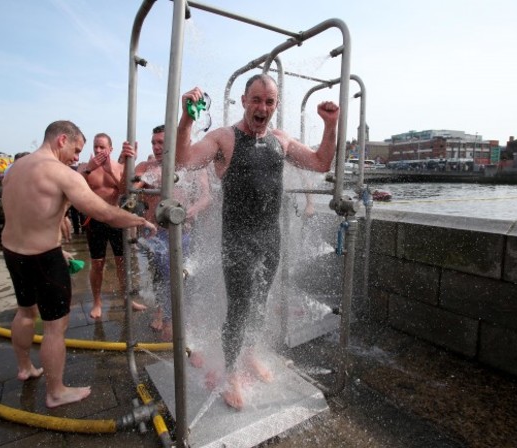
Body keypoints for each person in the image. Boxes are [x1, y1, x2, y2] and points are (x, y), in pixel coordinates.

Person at [176, 74, 339, 409]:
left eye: (269, 102)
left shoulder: (280, 141)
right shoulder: (225, 138)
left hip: (270, 240)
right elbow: (183, 161)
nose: (262, 107)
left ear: (275, 105)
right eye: (256, 100)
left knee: (259, 307)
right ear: (244, 101)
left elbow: (322, 162)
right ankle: (231, 372)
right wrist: (185, 121)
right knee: (237, 310)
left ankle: (248, 355)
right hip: (237, 241)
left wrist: (330, 125)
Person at [1, 120, 156, 408]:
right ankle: (56, 391)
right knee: (54, 327)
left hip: (13, 252)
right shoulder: (62, 174)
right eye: (76, 149)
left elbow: (19, 211)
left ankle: (24, 368)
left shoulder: (15, 169)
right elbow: (104, 213)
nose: (76, 157)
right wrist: (139, 220)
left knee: (24, 312)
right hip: (44, 259)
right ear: (62, 140)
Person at [124, 125, 211, 341]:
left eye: (161, 142)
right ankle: (166, 315)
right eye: (153, 142)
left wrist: (191, 211)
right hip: (154, 235)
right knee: (160, 279)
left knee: (183, 278)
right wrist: (127, 165)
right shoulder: (147, 167)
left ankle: (180, 321)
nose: (156, 147)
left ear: (172, 143)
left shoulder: (190, 167)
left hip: (183, 232)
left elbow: (206, 197)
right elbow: (127, 191)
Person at [77, 133, 145, 319]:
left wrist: (111, 170)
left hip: (115, 218)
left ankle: (127, 299)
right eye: (95, 147)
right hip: (94, 220)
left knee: (122, 263)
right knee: (97, 264)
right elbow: (74, 187)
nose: (98, 151)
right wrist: (89, 170)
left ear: (111, 149)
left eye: (102, 147)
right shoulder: (85, 167)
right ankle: (97, 302)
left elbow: (124, 190)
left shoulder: (119, 167)